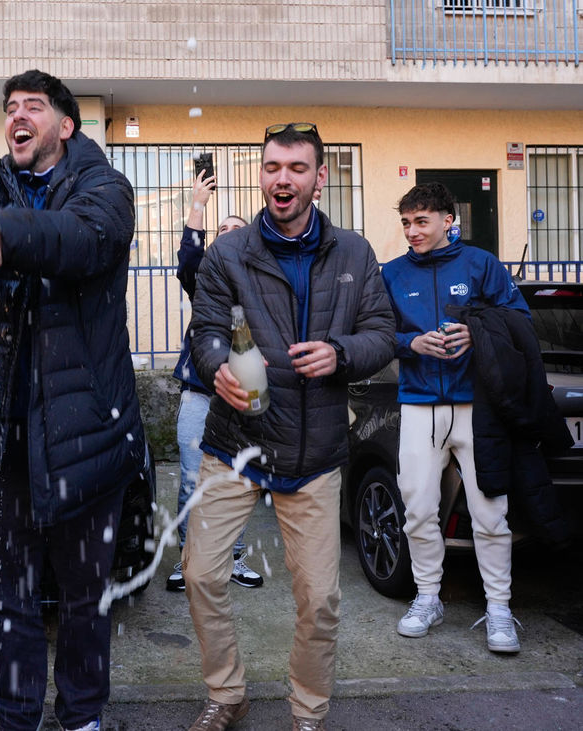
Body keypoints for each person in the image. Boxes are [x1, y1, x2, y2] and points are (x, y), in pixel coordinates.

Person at [0, 70, 147, 731]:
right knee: (8, 597)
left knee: (83, 598)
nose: (18, 115)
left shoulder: (107, 189)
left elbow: (82, 240)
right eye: (10, 107)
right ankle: (16, 716)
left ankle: (83, 714)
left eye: (33, 107)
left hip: (87, 435)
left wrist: (1, 235)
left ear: (65, 125)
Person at [183, 122, 395, 731]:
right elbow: (206, 330)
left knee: (321, 599)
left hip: (314, 452)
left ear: (319, 179)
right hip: (237, 444)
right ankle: (227, 697)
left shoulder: (355, 253)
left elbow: (381, 332)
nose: (283, 179)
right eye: (273, 166)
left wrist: (341, 353)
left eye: (297, 168)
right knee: (199, 574)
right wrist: (217, 365)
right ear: (262, 174)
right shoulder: (228, 253)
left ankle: (307, 711)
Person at [381, 182, 529, 653]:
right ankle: (428, 598)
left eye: (421, 221)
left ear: (449, 220)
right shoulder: (393, 273)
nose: (412, 231)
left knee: (490, 514)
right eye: (406, 222)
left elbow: (520, 319)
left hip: (476, 404)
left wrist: (476, 331)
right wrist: (411, 343)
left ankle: (500, 609)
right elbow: (378, 332)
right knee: (419, 511)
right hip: (419, 401)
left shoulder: (481, 264)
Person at [167, 169, 261, 593]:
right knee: (191, 478)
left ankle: (233, 558)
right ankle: (189, 559)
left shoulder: (262, 282)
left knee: (236, 480)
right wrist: (199, 206)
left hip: (243, 397)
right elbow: (188, 261)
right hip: (200, 394)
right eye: (221, 230)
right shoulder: (205, 279)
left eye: (235, 229)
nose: (226, 234)